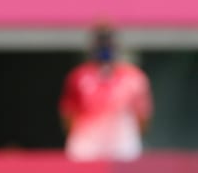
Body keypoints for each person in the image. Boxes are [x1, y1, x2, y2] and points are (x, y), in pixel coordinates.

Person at [59, 23, 153, 162]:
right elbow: (68, 114)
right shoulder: (79, 76)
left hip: (122, 145)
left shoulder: (134, 77)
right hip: (87, 145)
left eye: (108, 40)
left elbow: (143, 117)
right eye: (100, 41)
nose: (104, 46)